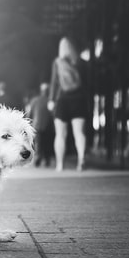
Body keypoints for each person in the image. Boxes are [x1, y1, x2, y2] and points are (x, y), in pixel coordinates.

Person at [47, 37, 87, 171]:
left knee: (60, 134)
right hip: (79, 99)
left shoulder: (58, 62)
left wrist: (51, 100)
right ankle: (81, 159)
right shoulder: (80, 62)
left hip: (63, 99)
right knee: (79, 132)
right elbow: (87, 83)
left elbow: (54, 82)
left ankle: (60, 164)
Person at [26, 82, 54, 167]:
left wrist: (29, 123)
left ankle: (38, 158)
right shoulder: (50, 101)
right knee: (47, 142)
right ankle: (46, 159)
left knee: (38, 142)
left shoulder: (35, 100)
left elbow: (30, 114)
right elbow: (52, 114)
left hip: (37, 125)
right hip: (48, 125)